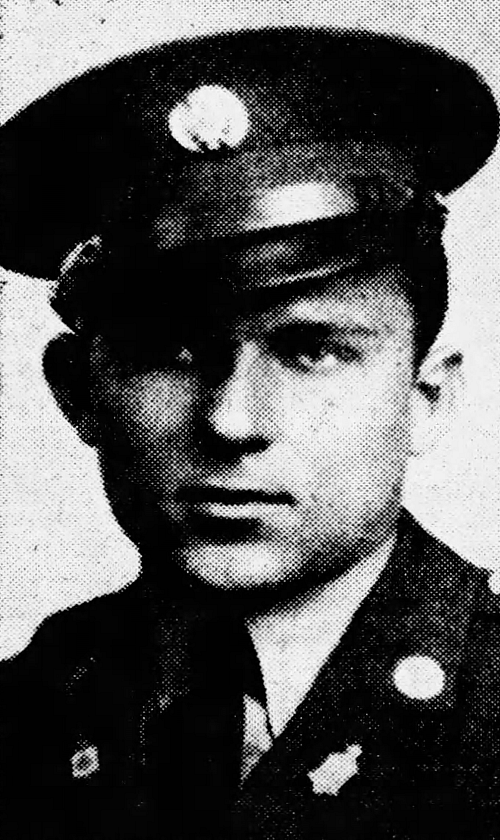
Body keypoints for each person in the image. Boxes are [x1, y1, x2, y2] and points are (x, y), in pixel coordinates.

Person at [0, 26, 499, 840]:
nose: (232, 421)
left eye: (312, 352)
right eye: (169, 352)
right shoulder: (20, 717)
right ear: (78, 393)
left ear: (426, 399)